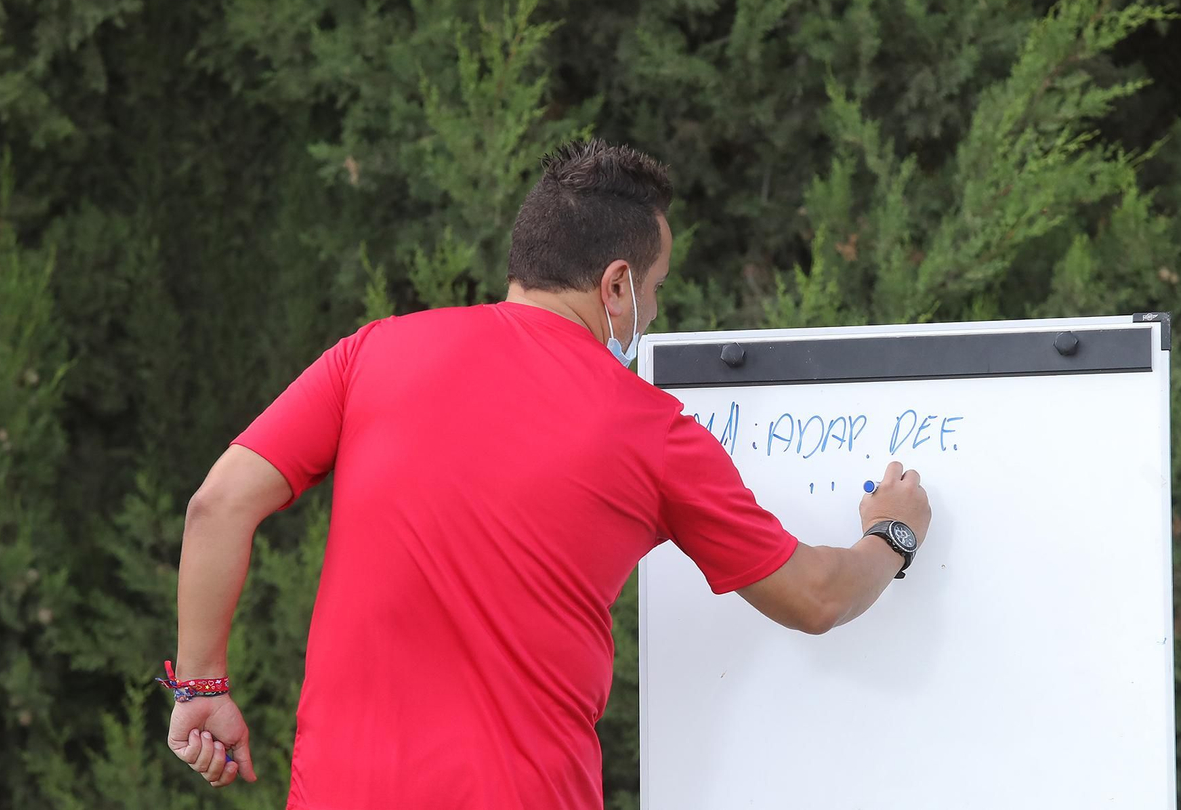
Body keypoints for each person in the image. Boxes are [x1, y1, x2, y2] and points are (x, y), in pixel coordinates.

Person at [162, 140, 933, 808]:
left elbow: (218, 504)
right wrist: (891, 533)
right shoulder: (651, 430)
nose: (654, 312)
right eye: (656, 290)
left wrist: (201, 689)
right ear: (616, 284)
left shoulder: (372, 355)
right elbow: (817, 596)